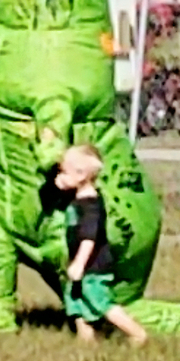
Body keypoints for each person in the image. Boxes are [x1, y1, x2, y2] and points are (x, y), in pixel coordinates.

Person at [56, 143, 149, 347]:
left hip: (93, 267)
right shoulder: (77, 200)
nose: (59, 176)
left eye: (63, 172)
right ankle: (85, 339)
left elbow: (89, 238)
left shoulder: (90, 206)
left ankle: (136, 333)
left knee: (99, 302)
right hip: (81, 267)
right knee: (76, 301)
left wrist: (79, 264)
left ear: (80, 176)